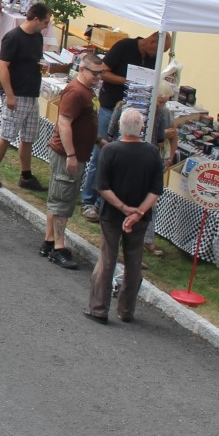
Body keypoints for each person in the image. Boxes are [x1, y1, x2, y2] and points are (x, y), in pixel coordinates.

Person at [83, 108, 164, 322]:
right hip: (140, 218)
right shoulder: (152, 153)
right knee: (134, 261)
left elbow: (102, 187)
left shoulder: (110, 151)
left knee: (107, 259)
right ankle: (126, 310)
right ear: (141, 128)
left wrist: (123, 208)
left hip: (112, 215)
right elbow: (155, 190)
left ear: (120, 127)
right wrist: (138, 213)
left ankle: (99, 308)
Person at [81, 31, 165, 217]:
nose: (159, 57)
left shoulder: (152, 59)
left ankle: (106, 203)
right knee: (101, 154)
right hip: (111, 107)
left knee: (119, 159)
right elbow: (103, 72)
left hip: (135, 113)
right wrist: (129, 83)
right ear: (151, 42)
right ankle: (89, 201)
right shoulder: (124, 46)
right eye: (160, 51)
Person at [43, 51, 104, 270]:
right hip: (68, 155)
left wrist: (96, 140)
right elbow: (64, 122)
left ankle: (49, 241)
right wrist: (70, 154)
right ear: (83, 70)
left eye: (101, 74)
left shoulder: (87, 91)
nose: (99, 78)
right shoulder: (76, 92)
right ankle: (59, 247)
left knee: (58, 195)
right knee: (63, 200)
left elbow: (82, 122)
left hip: (77, 153)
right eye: (95, 74)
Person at [0, 3, 51, 190]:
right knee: (7, 134)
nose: (47, 26)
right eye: (46, 22)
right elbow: (3, 66)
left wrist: (42, 67)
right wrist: (10, 95)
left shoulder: (38, 37)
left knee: (29, 137)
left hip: (32, 94)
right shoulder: (13, 37)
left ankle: (26, 175)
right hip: (16, 94)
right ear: (36, 19)